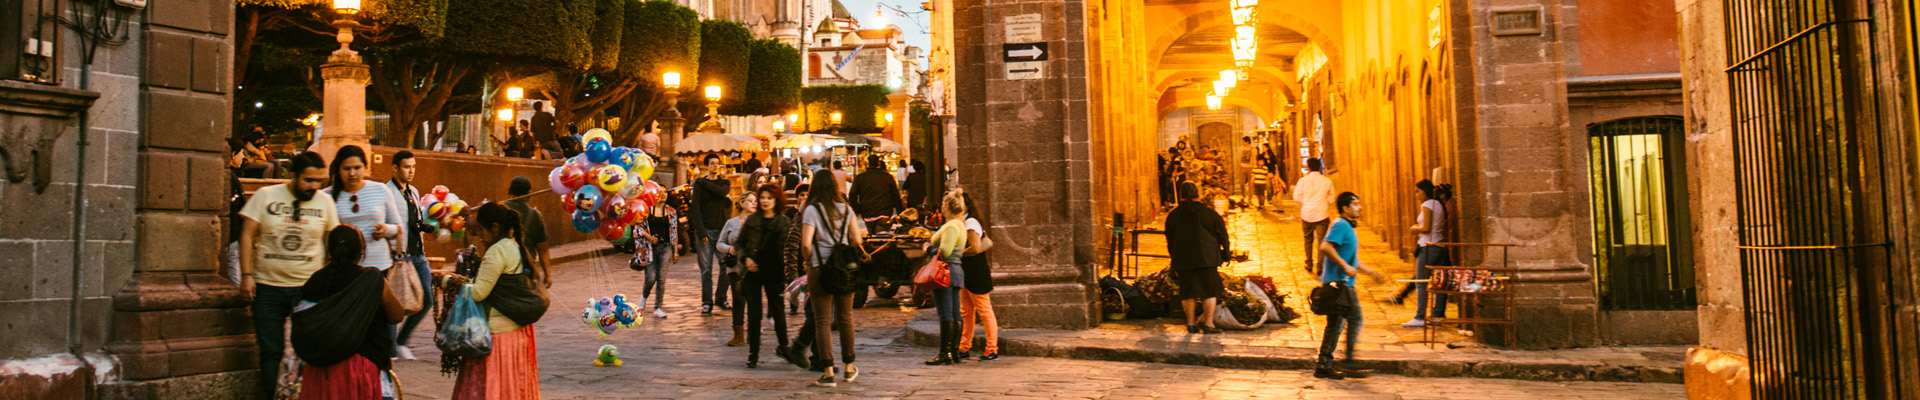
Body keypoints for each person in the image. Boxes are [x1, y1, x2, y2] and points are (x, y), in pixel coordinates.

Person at [238, 151, 339, 399]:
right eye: (309, 180)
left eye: (320, 181)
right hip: (267, 286)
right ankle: (272, 395)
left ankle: (303, 395)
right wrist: (246, 275)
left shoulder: (325, 202)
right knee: (270, 350)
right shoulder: (266, 196)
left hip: (308, 288)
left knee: (307, 349)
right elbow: (247, 235)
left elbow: (333, 242)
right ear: (293, 176)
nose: (314, 186)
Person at [293, 225, 406, 399]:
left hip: (320, 369)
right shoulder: (372, 280)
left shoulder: (315, 281)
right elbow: (396, 315)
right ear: (361, 252)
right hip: (361, 367)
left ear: (329, 250)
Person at [453, 202, 544, 399]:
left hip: (499, 337)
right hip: (517, 334)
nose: (480, 237)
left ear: (494, 227)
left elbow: (478, 292)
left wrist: (448, 282)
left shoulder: (497, 251)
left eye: (482, 230)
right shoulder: (513, 245)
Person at [800, 169, 866, 387]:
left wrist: (808, 261)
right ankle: (849, 367)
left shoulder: (812, 210)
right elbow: (857, 240)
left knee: (822, 321)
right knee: (846, 318)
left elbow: (806, 243)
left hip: (819, 270)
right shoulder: (846, 209)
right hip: (843, 270)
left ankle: (828, 372)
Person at [1315, 192, 1390, 380]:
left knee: (1336, 324)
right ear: (1345, 208)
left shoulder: (1348, 227)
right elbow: (1325, 247)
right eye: (1355, 204)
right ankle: (1347, 361)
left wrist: (1372, 272)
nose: (1360, 207)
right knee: (1354, 318)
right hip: (1339, 284)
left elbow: (1353, 260)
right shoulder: (1340, 224)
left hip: (1343, 283)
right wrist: (1344, 266)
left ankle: (1324, 364)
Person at [324, 145, 406, 273]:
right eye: (346, 169)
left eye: (357, 168)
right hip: (343, 270)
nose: (352, 173)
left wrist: (386, 230)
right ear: (338, 170)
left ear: (365, 168)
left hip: (379, 267)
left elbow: (399, 227)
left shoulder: (381, 189)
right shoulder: (326, 196)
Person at [738, 184, 795, 368]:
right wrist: (745, 259)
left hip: (775, 271)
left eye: (769, 198)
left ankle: (784, 347)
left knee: (778, 311)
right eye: (762, 197)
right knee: (754, 313)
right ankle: (753, 352)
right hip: (753, 271)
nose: (764, 201)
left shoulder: (784, 221)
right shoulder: (753, 220)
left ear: (776, 200)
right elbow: (739, 244)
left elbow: (789, 248)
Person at [386, 150, 436, 360]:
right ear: (395, 168)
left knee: (427, 299)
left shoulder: (413, 191)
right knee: (396, 305)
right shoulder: (386, 192)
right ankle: (390, 351)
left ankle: (401, 341)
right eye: (407, 167)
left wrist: (426, 227)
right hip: (399, 257)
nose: (411, 171)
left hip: (418, 254)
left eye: (413, 167)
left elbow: (416, 219)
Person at [1166, 182, 1229, 334]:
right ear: (1197, 194)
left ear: (1181, 195)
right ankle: (1208, 323)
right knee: (1209, 291)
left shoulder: (1174, 215)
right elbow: (1222, 234)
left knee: (1188, 291)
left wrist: (1174, 258)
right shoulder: (1208, 213)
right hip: (1207, 258)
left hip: (1184, 259)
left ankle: (1190, 323)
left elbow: (1170, 239)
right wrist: (1226, 253)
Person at [925, 191, 977, 365]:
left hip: (945, 270)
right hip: (956, 269)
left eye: (943, 203)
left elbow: (945, 251)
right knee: (955, 311)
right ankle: (954, 351)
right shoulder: (960, 225)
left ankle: (945, 352)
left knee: (946, 312)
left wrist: (928, 249)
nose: (941, 206)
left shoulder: (952, 226)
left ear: (947, 206)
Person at [1393, 181, 1450, 326]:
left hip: (1428, 247)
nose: (1416, 195)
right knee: (1439, 282)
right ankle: (1438, 315)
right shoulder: (1439, 204)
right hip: (1440, 245)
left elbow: (1426, 228)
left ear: (1424, 191)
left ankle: (1420, 317)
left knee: (1420, 282)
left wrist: (1415, 228)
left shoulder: (1427, 204)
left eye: (1418, 191)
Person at [954, 192, 999, 361]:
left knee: (984, 310)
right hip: (966, 272)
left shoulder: (971, 223)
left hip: (975, 272)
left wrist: (956, 254)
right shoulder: (961, 222)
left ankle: (992, 348)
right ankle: (964, 346)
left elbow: (975, 247)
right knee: (966, 312)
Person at [690, 154, 735, 314]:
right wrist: (701, 231)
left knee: (726, 265)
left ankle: (721, 297)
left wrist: (702, 181)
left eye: (716, 163)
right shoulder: (700, 185)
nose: (714, 166)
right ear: (706, 166)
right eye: (711, 163)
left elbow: (722, 192)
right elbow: (695, 208)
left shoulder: (724, 183)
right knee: (706, 269)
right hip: (706, 231)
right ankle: (707, 302)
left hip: (722, 231)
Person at [716, 192, 758, 347]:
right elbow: (719, 243)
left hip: (753, 268)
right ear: (742, 203)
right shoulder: (731, 223)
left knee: (754, 301)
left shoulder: (758, 222)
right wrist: (730, 249)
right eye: (750, 201)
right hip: (735, 268)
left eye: (756, 201)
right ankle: (738, 335)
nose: (754, 203)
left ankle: (753, 334)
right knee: (738, 300)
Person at [636, 186, 679, 318]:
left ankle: (658, 307)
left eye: (665, 192)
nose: (663, 194)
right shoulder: (647, 210)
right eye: (660, 192)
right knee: (651, 277)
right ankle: (643, 297)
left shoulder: (671, 211)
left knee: (661, 278)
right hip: (649, 248)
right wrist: (650, 238)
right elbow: (638, 228)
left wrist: (675, 251)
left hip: (665, 247)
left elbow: (674, 231)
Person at [503, 177, 553, 287]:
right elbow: (542, 248)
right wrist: (547, 275)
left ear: (509, 191)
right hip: (526, 270)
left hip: (501, 269)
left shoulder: (498, 208)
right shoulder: (536, 215)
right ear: (529, 194)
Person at [1292, 158, 1336, 272]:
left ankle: (1309, 263)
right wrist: (1325, 202)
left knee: (1308, 239)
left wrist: (1306, 202)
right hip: (1322, 213)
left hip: (1307, 213)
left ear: (1309, 167)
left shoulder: (1303, 181)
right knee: (1321, 241)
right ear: (1320, 167)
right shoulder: (1326, 181)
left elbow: (1296, 197)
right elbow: (1332, 197)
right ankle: (1320, 265)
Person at [849, 155, 905, 226]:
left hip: (867, 213)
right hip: (885, 213)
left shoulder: (860, 178)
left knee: (871, 235)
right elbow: (896, 196)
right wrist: (900, 212)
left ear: (868, 163)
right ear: (878, 163)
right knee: (883, 235)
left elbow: (852, 195)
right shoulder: (887, 177)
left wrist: (858, 210)